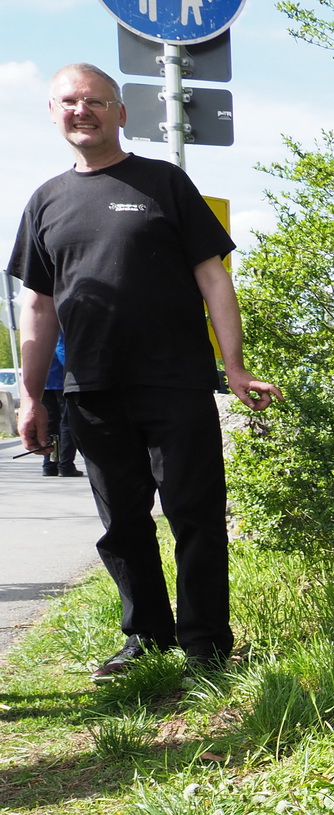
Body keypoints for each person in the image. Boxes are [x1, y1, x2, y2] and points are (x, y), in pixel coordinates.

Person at [7, 63, 280, 679]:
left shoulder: (164, 183)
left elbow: (214, 278)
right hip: (93, 391)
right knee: (122, 524)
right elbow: (39, 306)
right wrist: (31, 397)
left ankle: (207, 645)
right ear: (53, 113)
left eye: (96, 101)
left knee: (195, 516)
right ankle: (147, 638)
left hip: (177, 382)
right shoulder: (45, 201)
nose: (84, 111)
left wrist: (232, 366)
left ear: (121, 113)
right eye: (70, 102)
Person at [40, 333, 82, 477]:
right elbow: (60, 349)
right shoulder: (58, 321)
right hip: (61, 379)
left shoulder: (39, 326)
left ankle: (50, 464)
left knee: (51, 424)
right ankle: (65, 465)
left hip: (44, 381)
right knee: (67, 424)